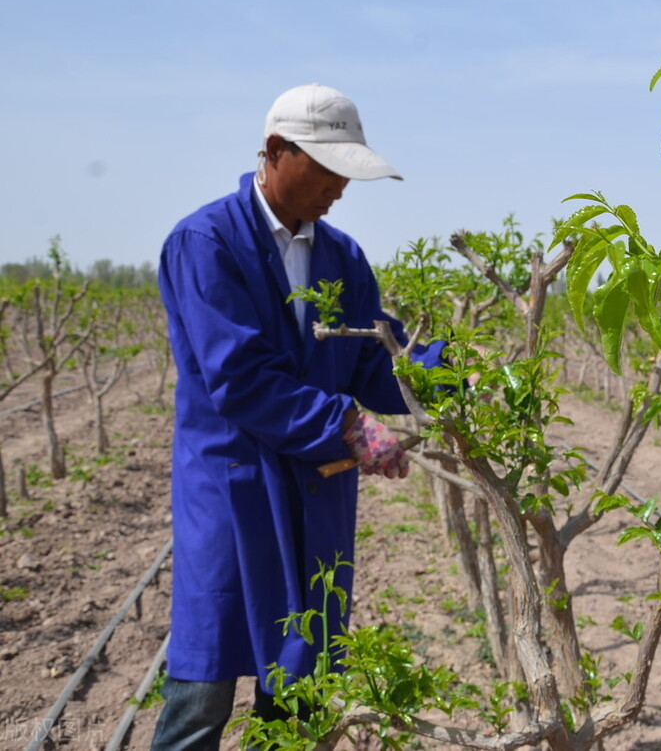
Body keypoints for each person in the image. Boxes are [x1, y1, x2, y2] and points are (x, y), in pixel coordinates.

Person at [151, 84, 444, 750]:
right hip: (235, 491)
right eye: (328, 167)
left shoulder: (340, 257)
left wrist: (450, 378)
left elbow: (378, 358)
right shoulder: (206, 243)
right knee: (202, 691)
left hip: (317, 494)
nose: (340, 185)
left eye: (347, 170)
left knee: (301, 687)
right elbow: (240, 377)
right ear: (278, 151)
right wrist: (349, 427)